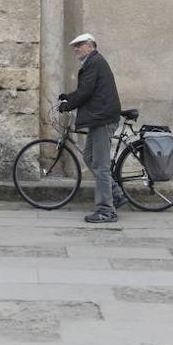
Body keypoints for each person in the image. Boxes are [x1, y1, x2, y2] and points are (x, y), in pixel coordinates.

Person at [58, 33, 123, 223]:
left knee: (101, 166)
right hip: (99, 119)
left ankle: (106, 210)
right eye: (74, 46)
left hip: (103, 119)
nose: (76, 49)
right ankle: (116, 194)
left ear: (90, 46)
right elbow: (86, 89)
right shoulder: (93, 62)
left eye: (79, 45)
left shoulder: (94, 62)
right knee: (89, 157)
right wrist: (68, 97)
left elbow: (86, 91)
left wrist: (67, 105)